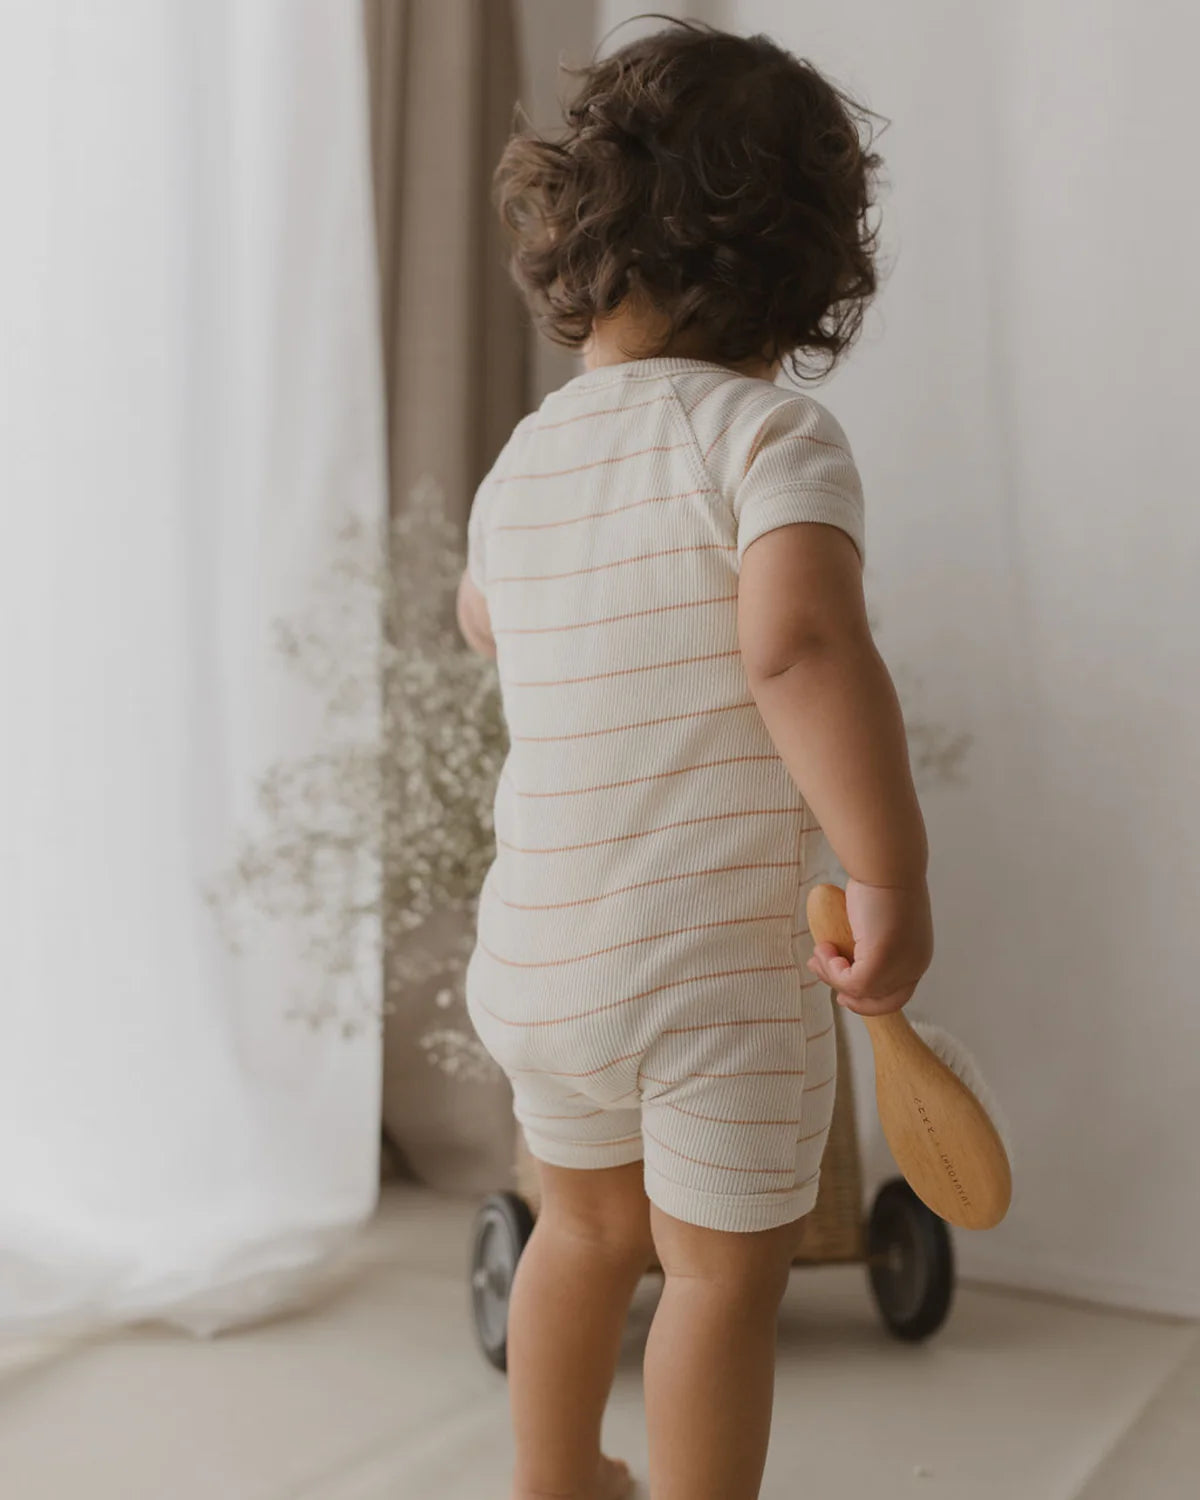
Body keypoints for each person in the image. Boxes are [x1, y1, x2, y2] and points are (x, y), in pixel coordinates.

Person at [456, 20, 933, 1500]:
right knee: (722, 1275)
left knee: (585, 1234)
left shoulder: (527, 457)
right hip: (706, 969)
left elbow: (486, 626)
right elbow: (797, 649)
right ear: (804, 267)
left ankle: (554, 1479)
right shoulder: (767, 437)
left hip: (541, 952)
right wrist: (889, 862)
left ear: (579, 230)